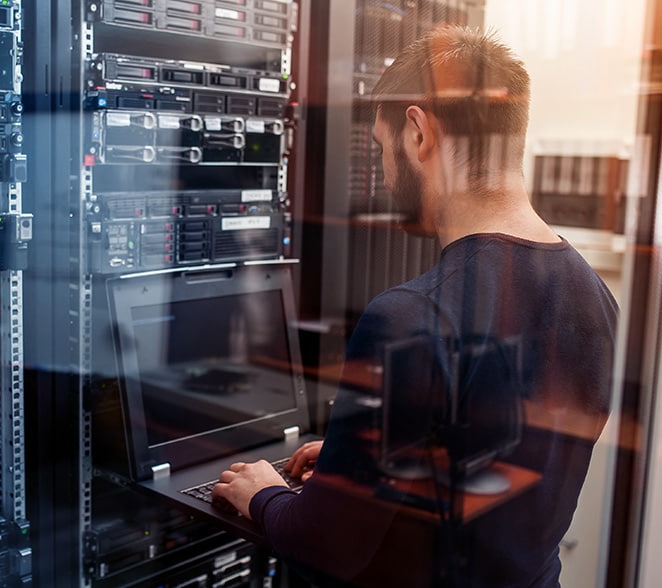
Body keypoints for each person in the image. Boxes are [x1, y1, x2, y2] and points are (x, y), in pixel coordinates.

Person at [211, 25, 618, 587]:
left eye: (381, 149)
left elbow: (329, 544)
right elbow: (496, 459)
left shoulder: (409, 317)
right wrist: (358, 460)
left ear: (419, 131)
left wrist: (266, 496)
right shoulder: (596, 296)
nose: (382, 173)